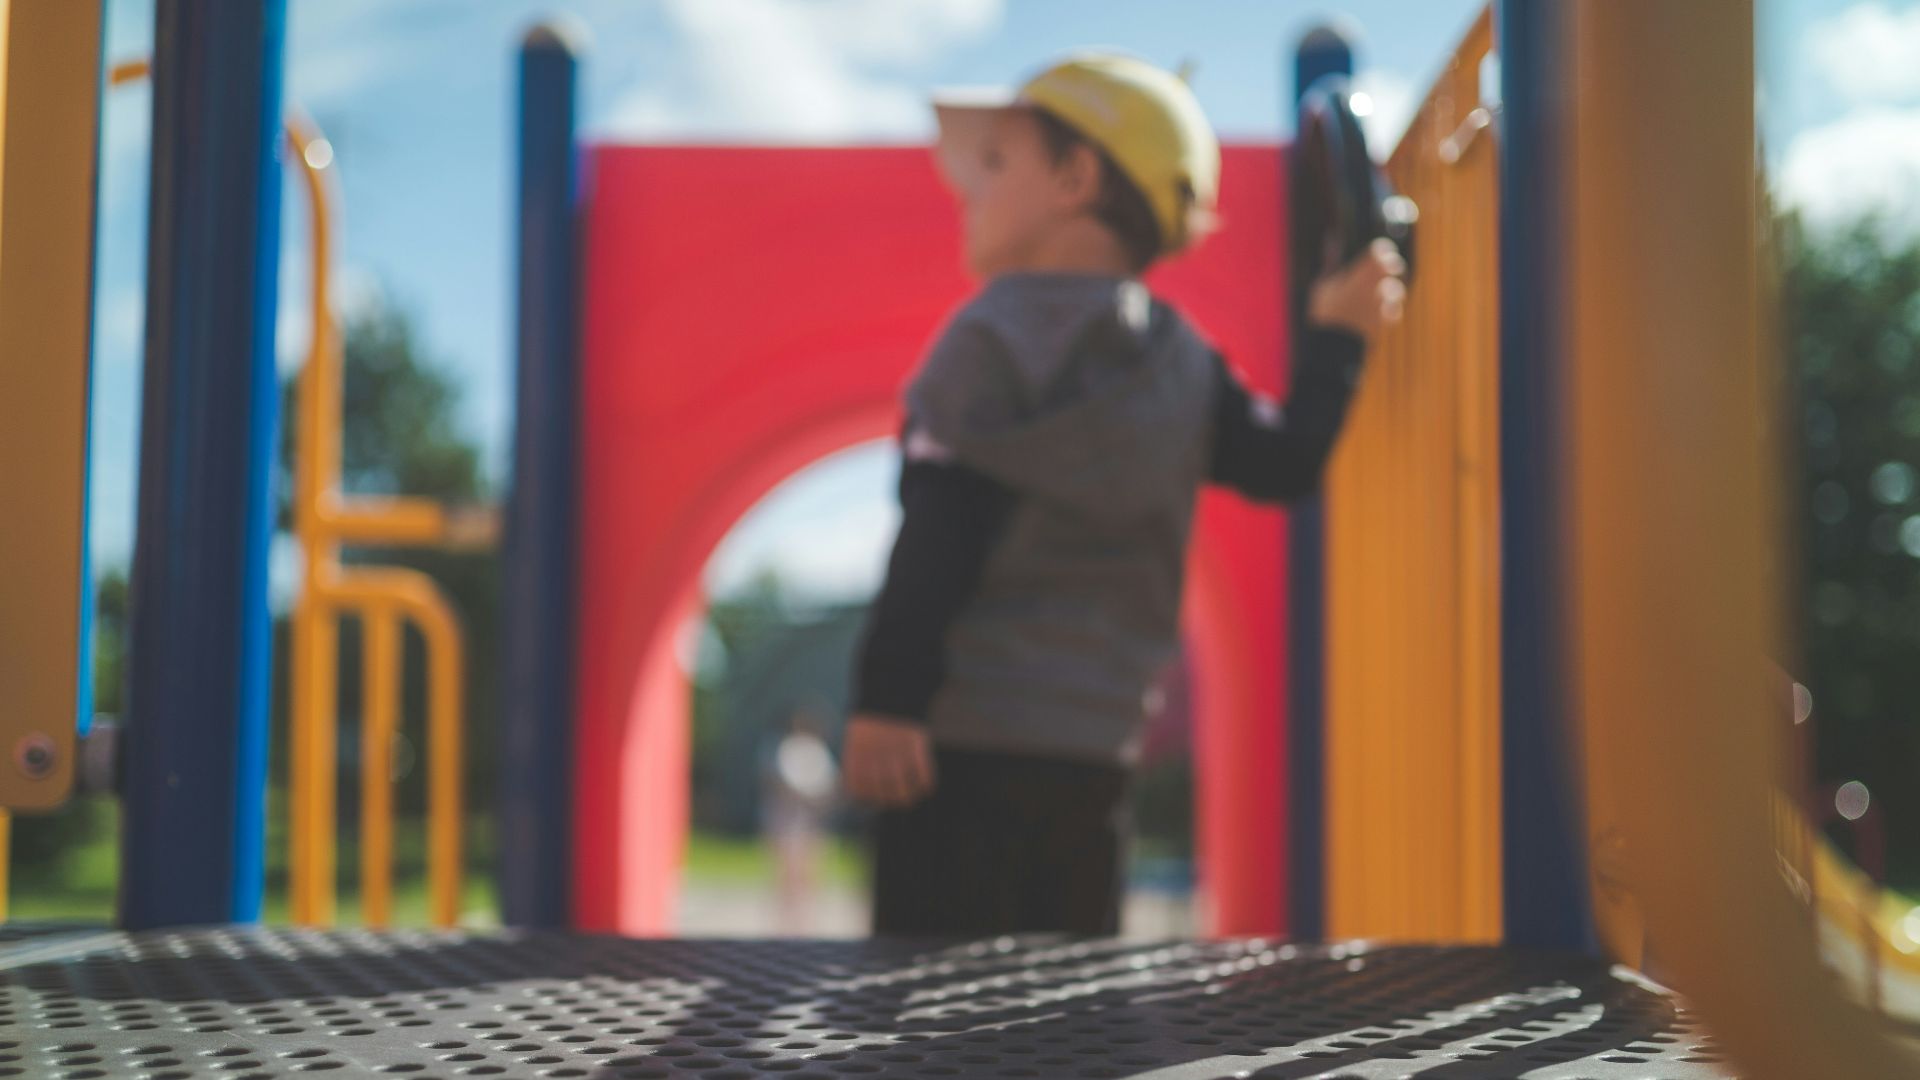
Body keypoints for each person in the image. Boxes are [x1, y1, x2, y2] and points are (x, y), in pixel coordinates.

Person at [843, 52, 1406, 937]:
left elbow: (939, 528)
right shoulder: (1180, 359)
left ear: (1075, 178)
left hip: (955, 748)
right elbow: (1284, 462)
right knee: (1065, 1009)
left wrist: (888, 699)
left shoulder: (984, 338)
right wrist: (1337, 340)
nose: (969, 191)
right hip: (1093, 754)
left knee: (917, 1005)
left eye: (995, 165)